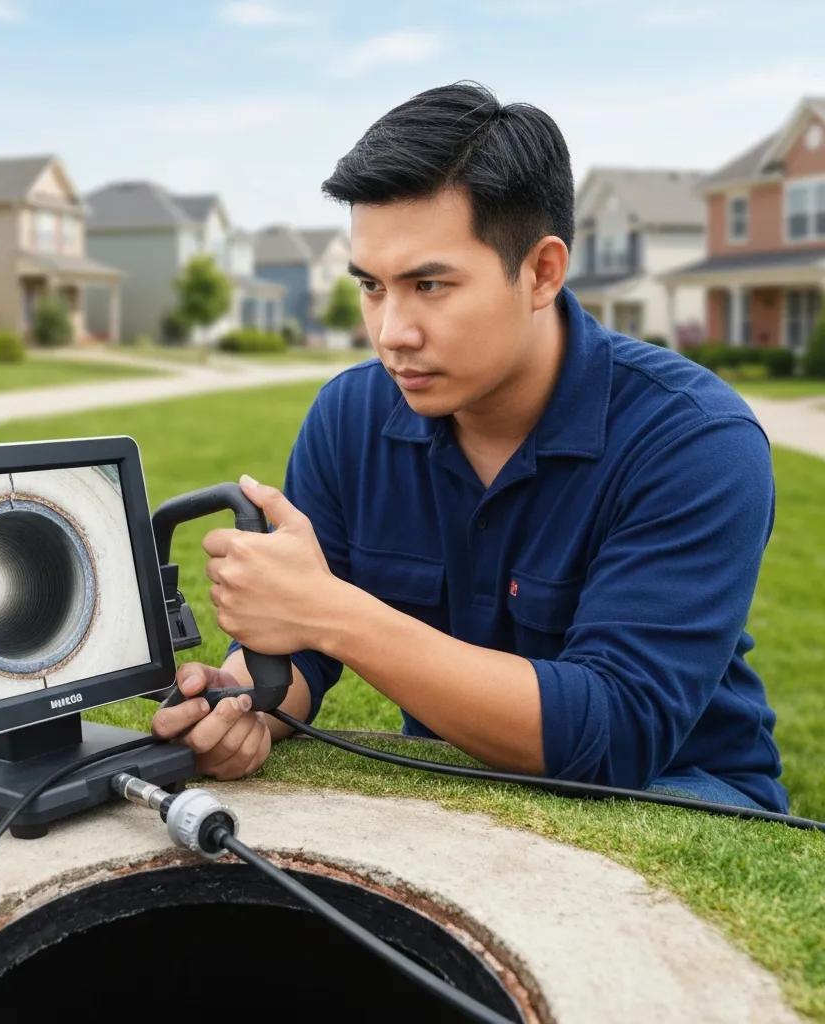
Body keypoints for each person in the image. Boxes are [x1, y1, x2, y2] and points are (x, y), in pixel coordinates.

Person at [151, 82, 788, 813]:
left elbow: (615, 734)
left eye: (429, 284)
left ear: (543, 271)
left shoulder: (695, 440)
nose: (392, 332)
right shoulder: (349, 417)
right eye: (371, 286)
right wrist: (246, 702)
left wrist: (330, 611)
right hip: (460, 789)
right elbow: (302, 651)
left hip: (685, 800)